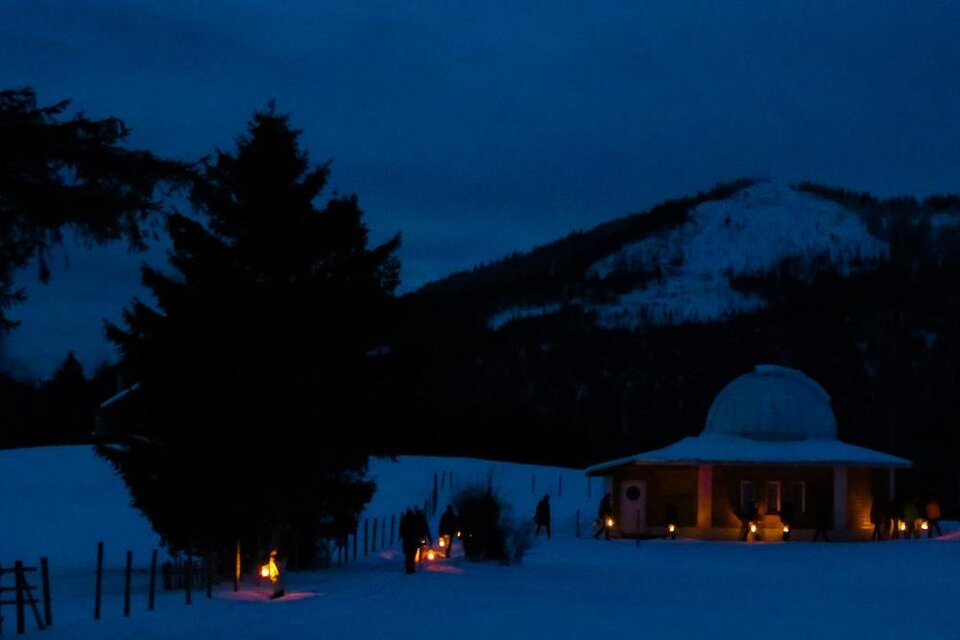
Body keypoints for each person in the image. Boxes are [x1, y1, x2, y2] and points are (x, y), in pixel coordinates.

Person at [399, 508, 419, 574]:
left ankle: (408, 568)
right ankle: (412, 568)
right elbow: (418, 529)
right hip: (413, 540)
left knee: (407, 554)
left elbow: (401, 529)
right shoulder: (415, 520)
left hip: (406, 540)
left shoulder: (404, 520)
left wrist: (402, 535)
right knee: (413, 554)